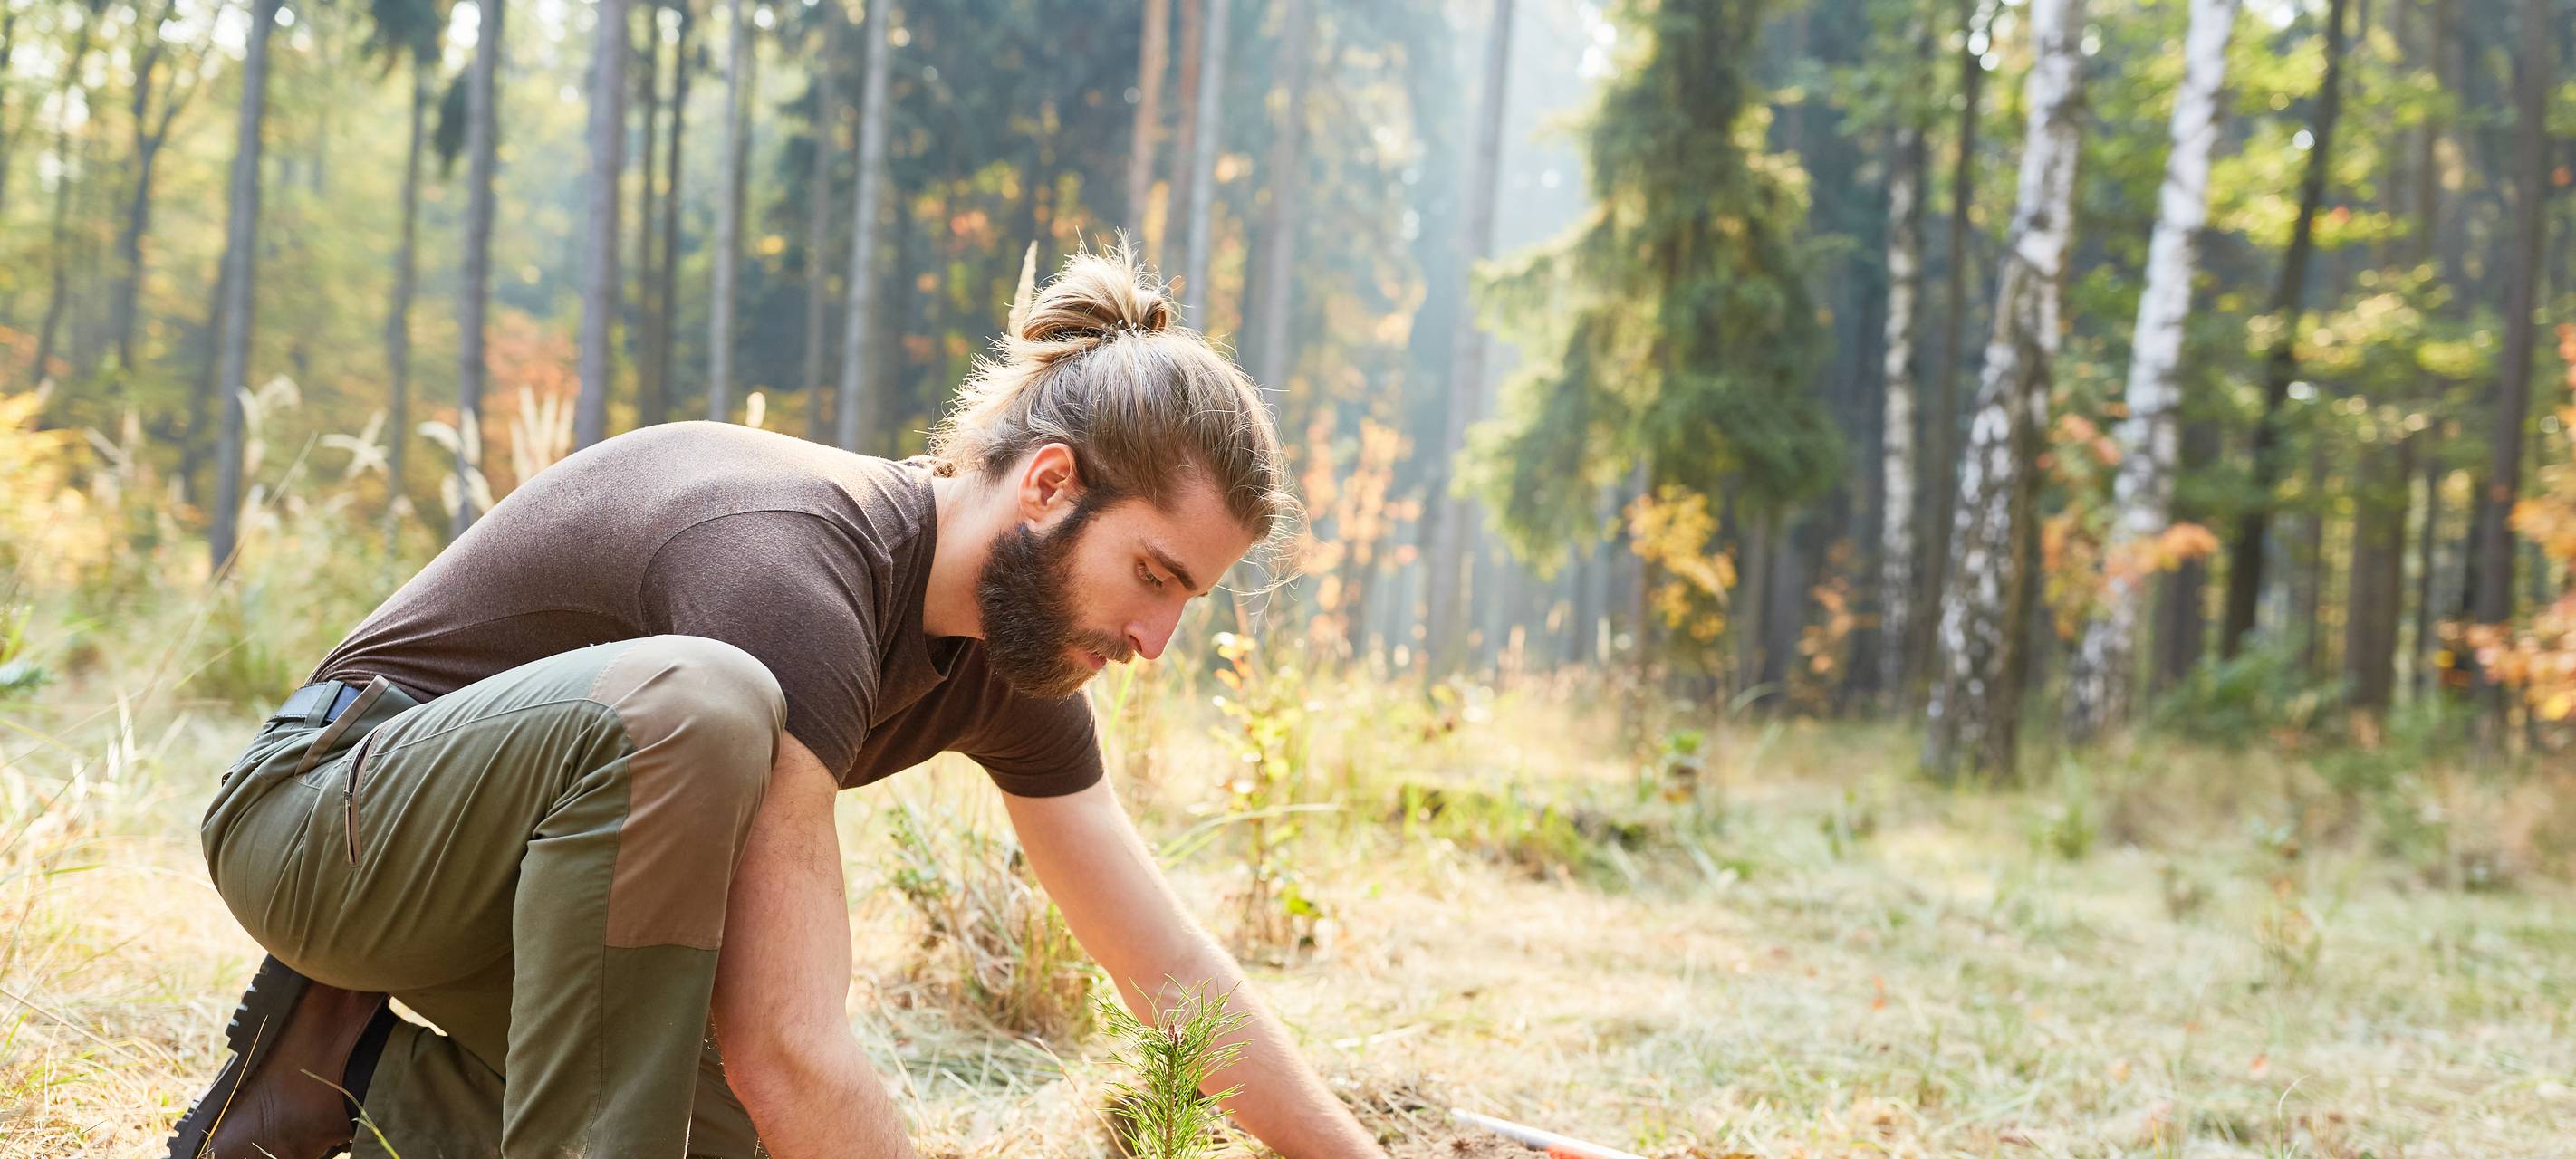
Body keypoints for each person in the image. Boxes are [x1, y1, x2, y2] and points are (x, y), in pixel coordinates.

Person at [171, 248, 1385, 1159]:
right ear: (1049, 486)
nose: (1156, 640)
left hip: (515, 896)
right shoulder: (796, 569)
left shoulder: (1013, 652)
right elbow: (789, 1042)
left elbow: (1167, 968)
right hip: (326, 823)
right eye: (1154, 577)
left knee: (744, 1139)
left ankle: (336, 1078)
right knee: (705, 704)